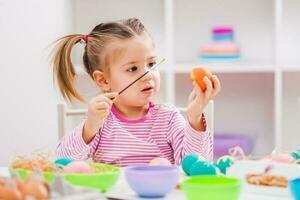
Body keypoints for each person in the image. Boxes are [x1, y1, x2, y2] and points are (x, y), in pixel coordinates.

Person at [52, 18, 221, 166]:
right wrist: (89, 127)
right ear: (104, 80)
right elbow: (61, 163)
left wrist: (195, 118)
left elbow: (195, 166)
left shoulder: (168, 118)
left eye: (151, 64)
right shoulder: (100, 122)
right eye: (132, 68)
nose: (148, 75)